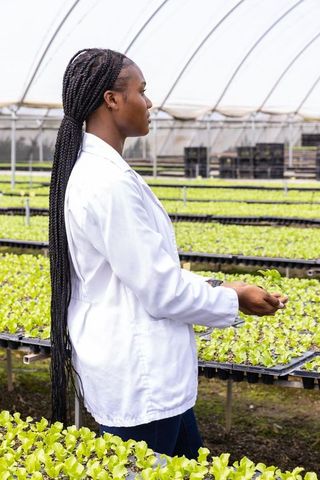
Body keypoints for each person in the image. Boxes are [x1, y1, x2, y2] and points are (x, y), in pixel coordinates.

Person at [49, 48, 286, 459]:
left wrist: (221, 286)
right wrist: (233, 299)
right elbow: (161, 291)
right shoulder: (107, 184)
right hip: (142, 380)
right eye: (142, 90)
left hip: (149, 377)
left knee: (186, 465)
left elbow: (147, 274)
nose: (150, 101)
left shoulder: (103, 173)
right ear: (112, 99)